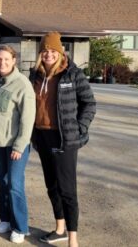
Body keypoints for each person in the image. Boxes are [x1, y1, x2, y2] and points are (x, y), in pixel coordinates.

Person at [29, 32, 96, 247]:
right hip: (42, 136)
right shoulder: (35, 76)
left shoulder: (72, 74)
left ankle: (73, 239)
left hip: (64, 138)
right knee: (51, 186)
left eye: (53, 51)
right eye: (45, 51)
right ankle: (59, 229)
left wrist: (78, 127)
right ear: (41, 53)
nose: (49, 54)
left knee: (67, 189)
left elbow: (89, 104)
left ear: (61, 52)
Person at [0, 45, 36, 244]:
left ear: (14, 61)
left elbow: (27, 118)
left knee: (15, 185)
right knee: (3, 183)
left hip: (15, 145)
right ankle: (5, 219)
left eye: (6, 59)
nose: (2, 62)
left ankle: (20, 227)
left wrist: (19, 146)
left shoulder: (22, 84)